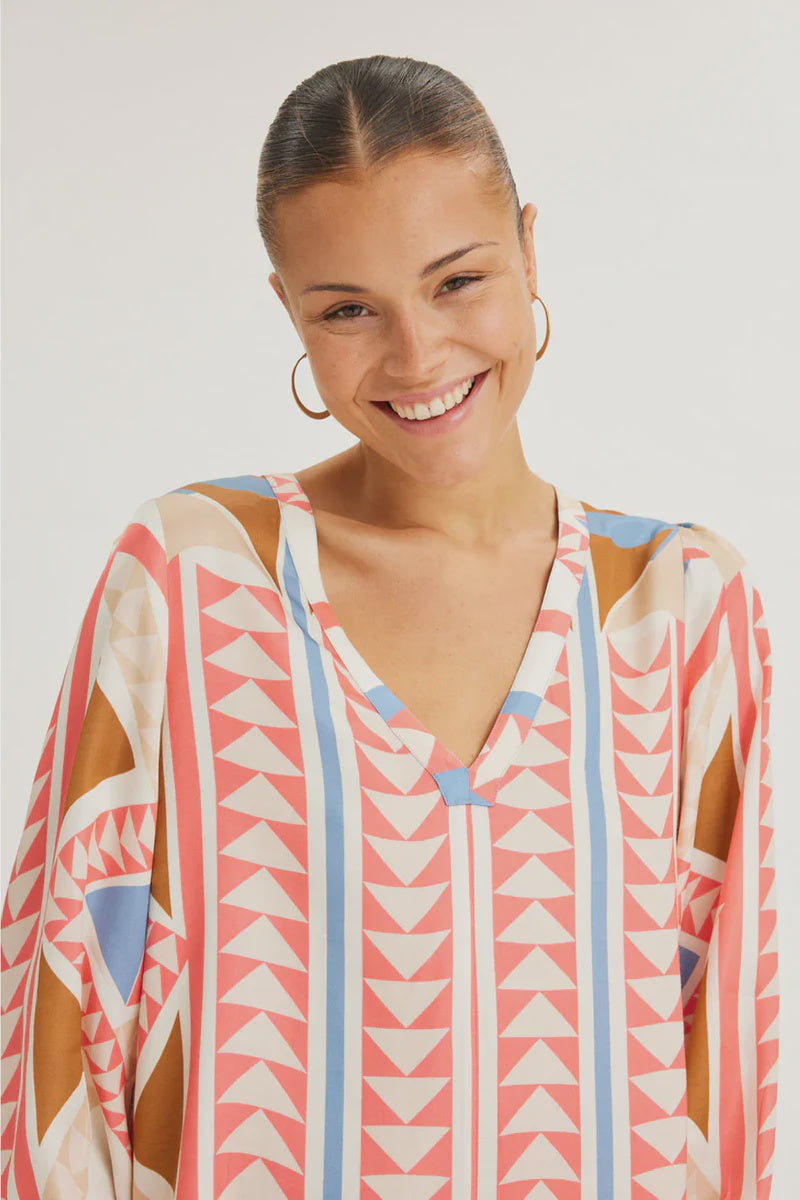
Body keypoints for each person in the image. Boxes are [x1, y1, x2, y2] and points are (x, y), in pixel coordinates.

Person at [1, 54, 779, 1200]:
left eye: (456, 281)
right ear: (288, 309)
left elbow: (721, 1062)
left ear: (527, 252)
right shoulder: (190, 580)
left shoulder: (680, 606)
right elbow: (55, 1031)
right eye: (348, 309)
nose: (416, 357)